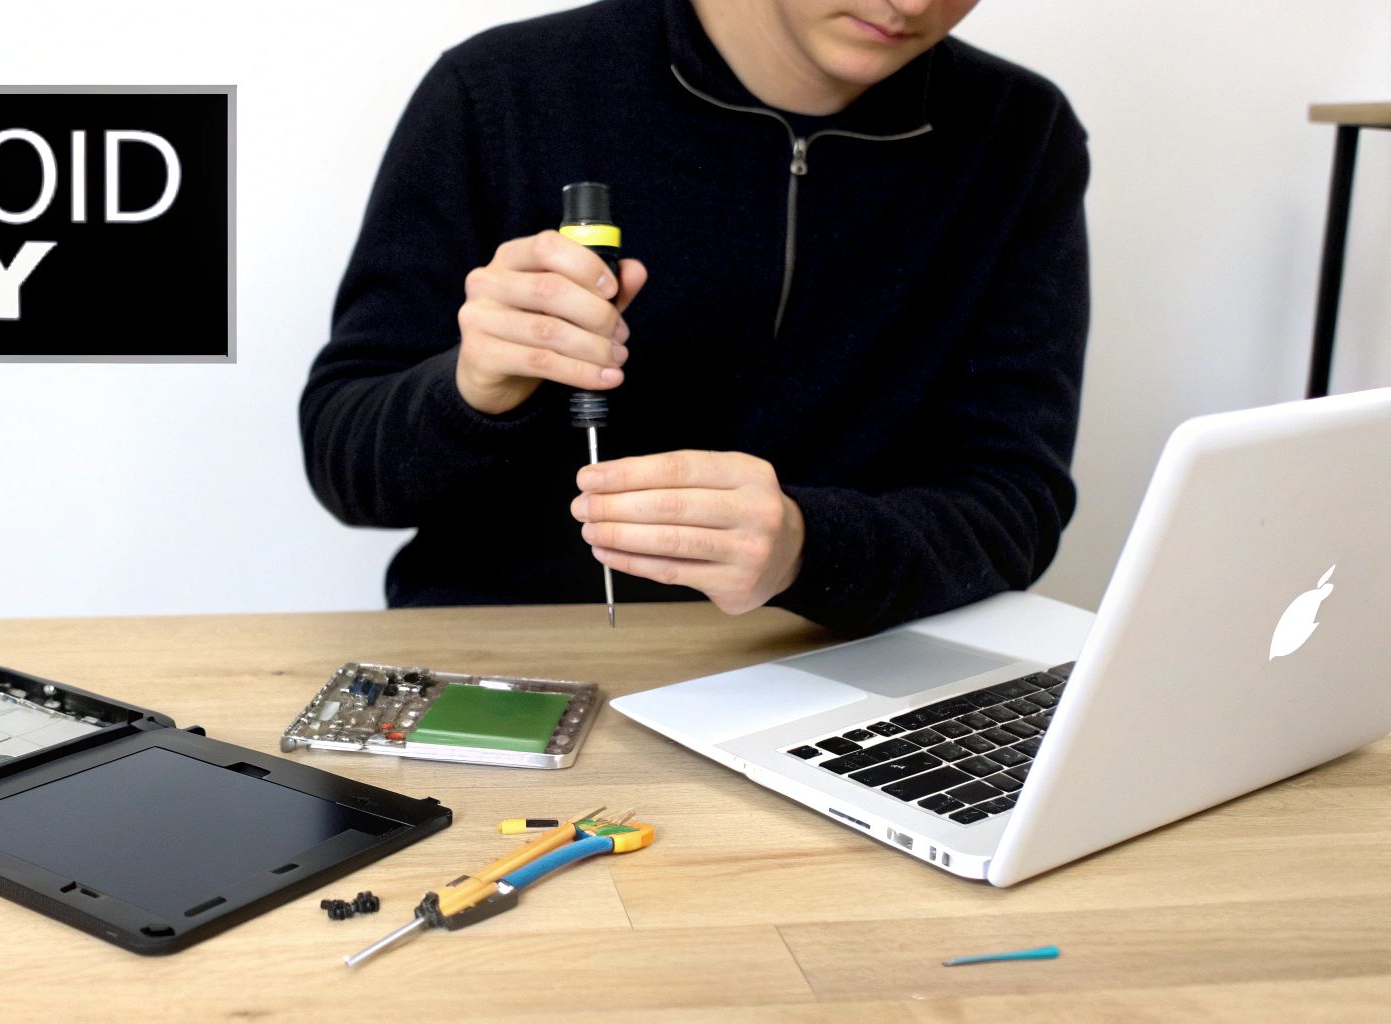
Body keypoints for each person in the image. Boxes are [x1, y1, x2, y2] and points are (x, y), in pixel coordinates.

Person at [299, 0, 1089, 636]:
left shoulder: (1021, 134)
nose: (913, 3)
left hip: (836, 676)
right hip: (514, 666)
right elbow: (345, 468)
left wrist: (806, 549)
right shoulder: (502, 91)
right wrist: (471, 390)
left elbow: (1014, 504)